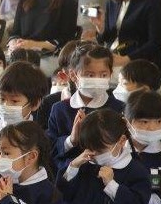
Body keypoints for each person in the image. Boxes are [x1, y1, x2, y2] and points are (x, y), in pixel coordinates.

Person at [46, 43, 124, 173]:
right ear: (73, 75)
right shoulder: (59, 109)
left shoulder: (118, 108)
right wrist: (71, 140)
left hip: (108, 175)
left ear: (111, 74)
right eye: (90, 75)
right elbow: (50, 149)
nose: (97, 80)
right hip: (70, 177)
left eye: (103, 75)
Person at [0, 61, 48, 146]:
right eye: (2, 99)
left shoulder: (41, 135)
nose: (6, 105)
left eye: (14, 101)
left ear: (35, 104)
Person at [7, 0, 79, 76]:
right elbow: (15, 32)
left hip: (49, 55)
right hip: (22, 52)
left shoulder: (68, 2)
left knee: (24, 72)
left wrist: (34, 44)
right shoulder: (25, 0)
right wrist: (13, 43)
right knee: (0, 65)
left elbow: (66, 40)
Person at [91, 0, 161, 67]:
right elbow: (105, 39)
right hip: (111, 58)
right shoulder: (111, 3)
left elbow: (156, 42)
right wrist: (100, 25)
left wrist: (127, 59)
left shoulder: (150, 3)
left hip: (135, 62)